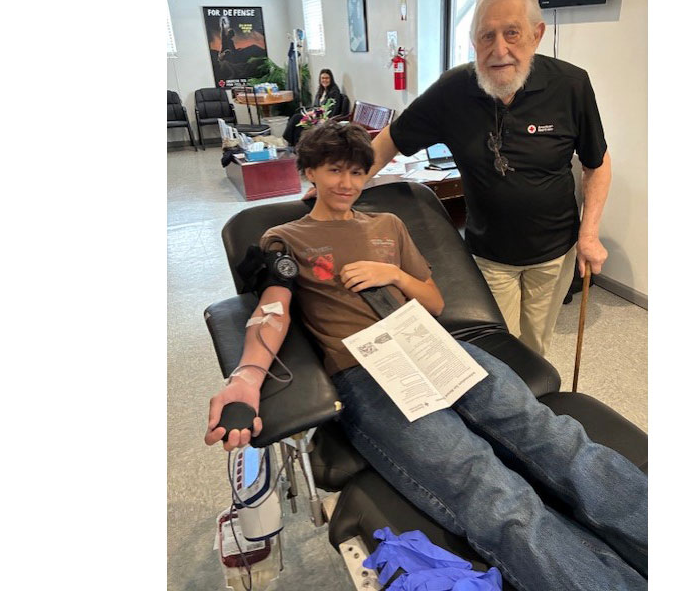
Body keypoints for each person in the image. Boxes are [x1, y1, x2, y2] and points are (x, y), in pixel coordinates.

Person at [205, 122, 647, 591]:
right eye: (334, 170)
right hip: (367, 371)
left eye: (357, 172)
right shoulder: (284, 237)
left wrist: (393, 274)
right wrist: (246, 378)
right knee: (487, 488)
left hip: (435, 348)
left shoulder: (387, 225)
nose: (347, 183)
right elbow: (272, 309)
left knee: (554, 438)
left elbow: (433, 303)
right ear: (309, 171)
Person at [358, 0, 611, 361]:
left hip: (553, 252)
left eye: (512, 33)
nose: (500, 49)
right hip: (488, 255)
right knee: (497, 352)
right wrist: (345, 183)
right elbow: (391, 138)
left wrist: (589, 234)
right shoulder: (452, 91)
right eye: (486, 36)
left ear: (536, 35)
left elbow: (598, 163)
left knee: (536, 347)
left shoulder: (571, 85)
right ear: (474, 42)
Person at [283, 68, 344, 146]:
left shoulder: (334, 91)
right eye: (323, 78)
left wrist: (315, 115)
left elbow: (331, 110)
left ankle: (288, 141)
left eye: (327, 78)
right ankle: (293, 144)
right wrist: (311, 112)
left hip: (323, 119)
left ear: (331, 79)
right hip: (315, 116)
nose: (325, 80)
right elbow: (315, 106)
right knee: (297, 119)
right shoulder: (321, 90)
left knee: (297, 119)